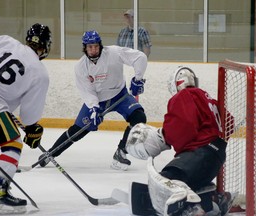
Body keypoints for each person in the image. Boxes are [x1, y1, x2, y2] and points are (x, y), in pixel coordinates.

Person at [126, 66, 234, 215]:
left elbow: (184, 126)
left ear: (175, 84)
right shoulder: (208, 99)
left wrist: (165, 137)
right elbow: (230, 122)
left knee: (168, 180)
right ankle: (215, 199)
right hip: (216, 157)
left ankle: (191, 208)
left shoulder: (184, 96)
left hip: (200, 154)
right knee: (188, 182)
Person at [0, 23, 52, 214]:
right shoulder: (39, 72)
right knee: (13, 143)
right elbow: (29, 116)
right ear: (46, 46)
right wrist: (32, 128)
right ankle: (1, 194)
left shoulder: (8, 42)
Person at [38, 30, 147, 171]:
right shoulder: (81, 67)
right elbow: (87, 91)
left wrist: (138, 78)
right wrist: (94, 108)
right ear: (85, 48)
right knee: (78, 130)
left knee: (139, 117)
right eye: (90, 47)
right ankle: (51, 153)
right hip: (98, 101)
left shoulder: (114, 52)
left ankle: (121, 152)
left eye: (96, 46)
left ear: (100, 45)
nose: (93, 50)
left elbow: (140, 57)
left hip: (120, 95)